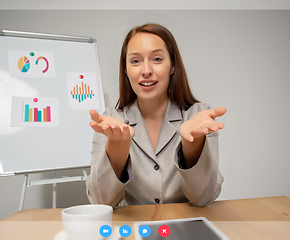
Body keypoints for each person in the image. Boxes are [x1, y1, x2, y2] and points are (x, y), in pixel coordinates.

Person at [86, 23, 226, 207]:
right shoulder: (112, 122)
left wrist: (192, 146)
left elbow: (204, 197)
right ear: (126, 70)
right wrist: (117, 146)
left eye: (157, 59)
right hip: (134, 231)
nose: (146, 70)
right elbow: (100, 202)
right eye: (135, 61)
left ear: (173, 66)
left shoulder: (198, 117)